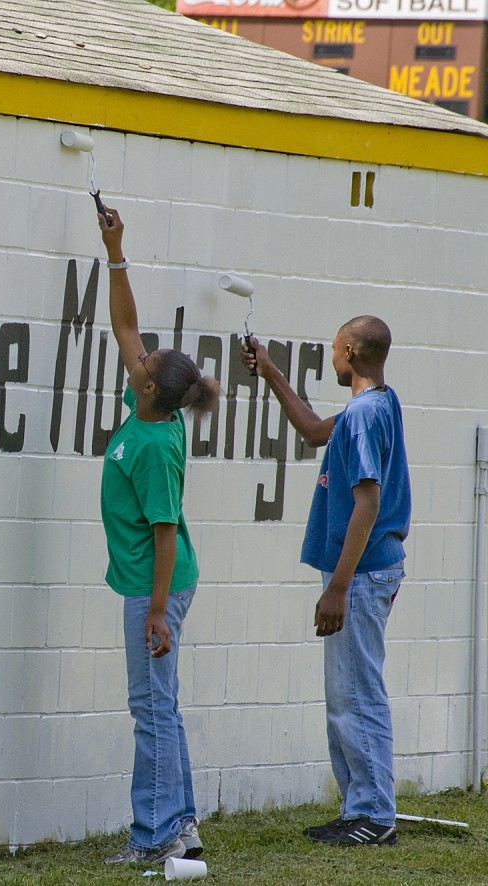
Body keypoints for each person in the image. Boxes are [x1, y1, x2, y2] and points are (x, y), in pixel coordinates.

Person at [242, 317, 409, 847]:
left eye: (335, 349)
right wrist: (270, 372)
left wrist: (337, 587)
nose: (331, 356)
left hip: (358, 574)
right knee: (348, 694)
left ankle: (375, 816)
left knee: (357, 696)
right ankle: (358, 806)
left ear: (351, 350)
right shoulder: (381, 402)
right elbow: (315, 431)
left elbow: (367, 501)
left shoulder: (362, 416)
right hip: (368, 569)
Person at [97, 207, 220, 865]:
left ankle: (156, 835)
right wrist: (116, 252)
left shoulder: (152, 444)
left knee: (151, 710)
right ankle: (180, 824)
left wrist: (155, 612)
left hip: (157, 586)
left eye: (144, 365)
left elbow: (165, 534)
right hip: (152, 585)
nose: (137, 360)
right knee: (158, 706)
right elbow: (123, 324)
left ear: (150, 389)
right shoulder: (148, 403)